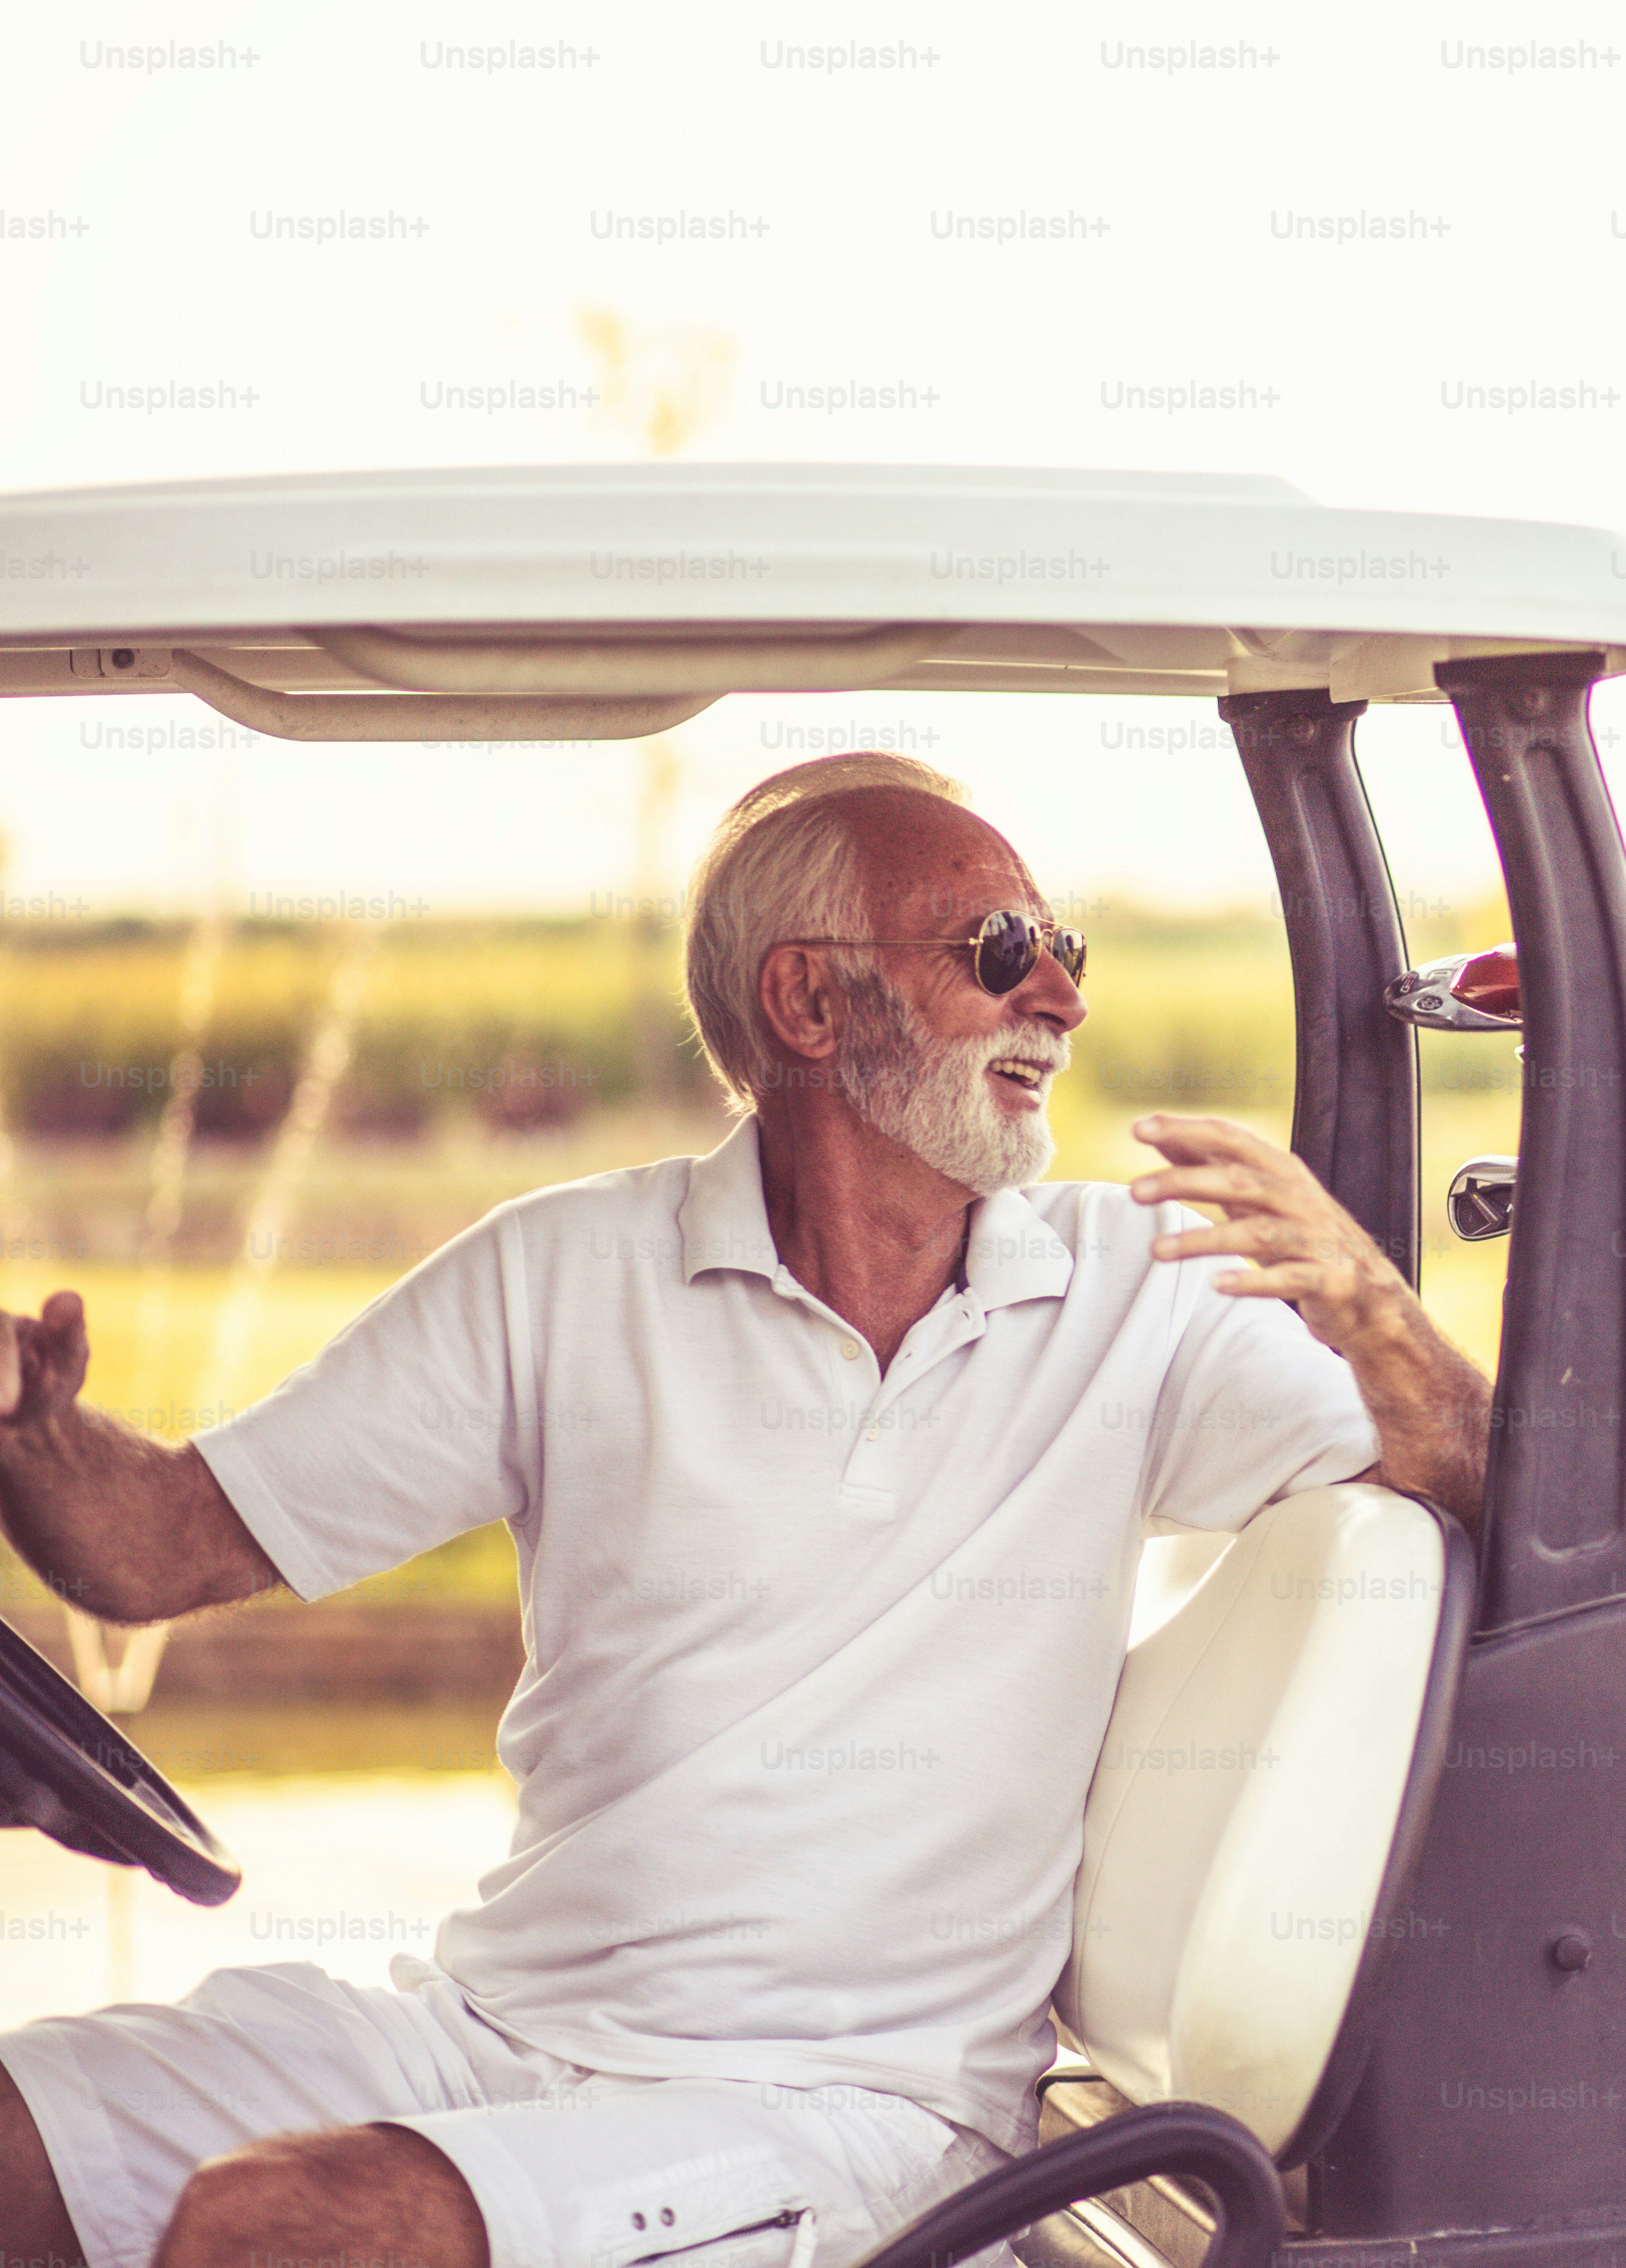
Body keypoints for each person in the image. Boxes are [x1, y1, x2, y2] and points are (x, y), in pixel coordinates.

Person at [0, 752, 1492, 2268]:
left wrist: (1373, 1309)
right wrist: (29, 1431)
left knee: (281, 2229)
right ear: (808, 1001)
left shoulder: (1137, 1293)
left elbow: (1483, 1489)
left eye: (1068, 949)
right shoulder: (561, 1274)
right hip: (491, 2030)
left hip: (856, 2113)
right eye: (1000, 950)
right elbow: (156, 1543)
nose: (1060, 999)